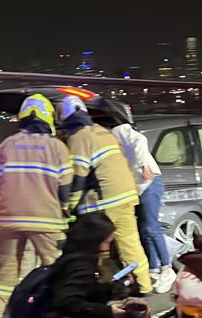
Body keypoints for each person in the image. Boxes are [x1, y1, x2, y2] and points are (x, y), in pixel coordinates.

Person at [0, 94, 73, 318]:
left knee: (5, 268)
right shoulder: (57, 147)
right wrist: (66, 208)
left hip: (8, 217)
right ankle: (57, 311)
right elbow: (65, 188)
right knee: (54, 265)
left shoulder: (7, 144)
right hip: (45, 217)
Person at [59, 95, 153, 294]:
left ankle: (101, 288)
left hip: (103, 202)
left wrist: (68, 206)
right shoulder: (102, 132)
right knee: (130, 243)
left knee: (96, 247)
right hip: (126, 196)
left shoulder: (78, 138)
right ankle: (144, 285)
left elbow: (78, 176)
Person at [108, 109, 176, 294]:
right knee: (145, 229)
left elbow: (139, 140)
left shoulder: (118, 131)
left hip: (149, 182)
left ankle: (166, 268)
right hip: (141, 185)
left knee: (151, 227)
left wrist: (143, 164)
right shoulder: (111, 133)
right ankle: (154, 269)